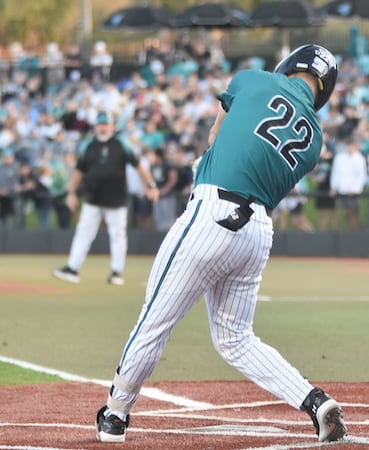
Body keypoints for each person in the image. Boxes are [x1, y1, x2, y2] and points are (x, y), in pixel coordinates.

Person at [94, 44, 346, 444]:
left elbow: (217, 134)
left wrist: (207, 161)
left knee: (155, 318)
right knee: (236, 338)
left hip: (211, 211)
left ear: (290, 65)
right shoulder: (315, 138)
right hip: (257, 230)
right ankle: (315, 402)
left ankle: (115, 413)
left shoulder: (254, 78)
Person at [52, 111, 159, 286]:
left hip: (116, 200)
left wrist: (151, 186)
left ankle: (117, 272)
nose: (102, 128)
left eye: (106, 124)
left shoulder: (121, 144)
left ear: (113, 126)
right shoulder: (89, 146)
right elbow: (79, 171)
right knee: (83, 234)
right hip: (92, 199)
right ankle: (73, 269)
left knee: (117, 236)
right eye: (100, 124)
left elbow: (138, 166)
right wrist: (71, 193)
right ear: (96, 126)